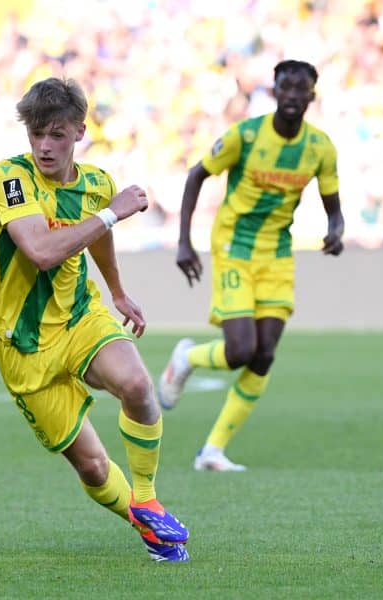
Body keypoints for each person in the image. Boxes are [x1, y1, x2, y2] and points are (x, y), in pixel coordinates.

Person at [0, 77, 189, 562]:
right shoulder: (11, 178)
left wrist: (116, 291)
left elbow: (97, 236)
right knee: (94, 468)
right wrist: (112, 215)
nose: (44, 146)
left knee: (137, 384)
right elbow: (40, 252)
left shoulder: (97, 184)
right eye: (36, 134)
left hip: (79, 316)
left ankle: (147, 498)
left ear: (79, 131)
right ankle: (147, 527)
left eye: (56, 134)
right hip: (23, 344)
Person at [158, 60, 344, 472]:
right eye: (285, 87)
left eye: (300, 89)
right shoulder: (244, 136)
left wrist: (336, 230)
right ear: (274, 91)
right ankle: (187, 358)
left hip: (277, 252)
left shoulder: (320, 148)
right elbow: (195, 176)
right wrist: (184, 241)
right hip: (235, 246)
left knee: (264, 354)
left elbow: (334, 207)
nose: (292, 95)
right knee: (241, 351)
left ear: (312, 96)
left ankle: (212, 451)